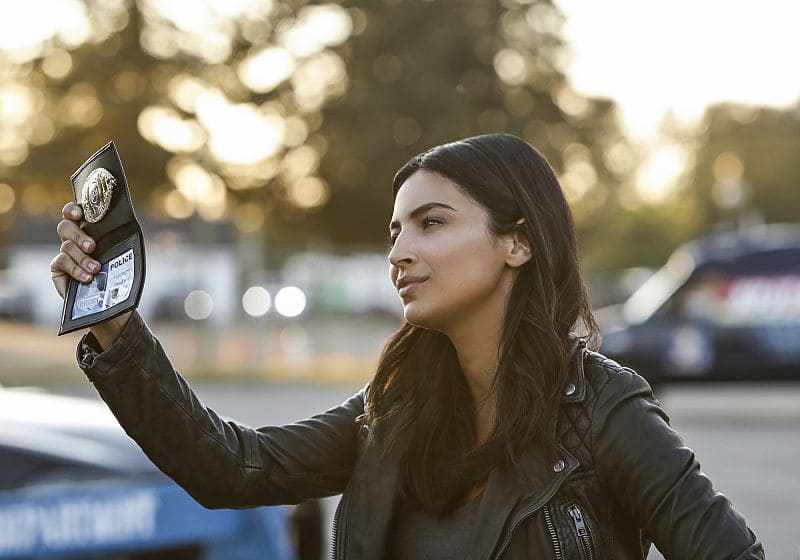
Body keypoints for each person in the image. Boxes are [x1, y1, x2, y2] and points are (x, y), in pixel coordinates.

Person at [51, 133, 765, 559]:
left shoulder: (604, 411)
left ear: (518, 241)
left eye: (431, 223)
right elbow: (230, 468)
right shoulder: (392, 412)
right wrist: (115, 324)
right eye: (396, 232)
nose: (400, 251)